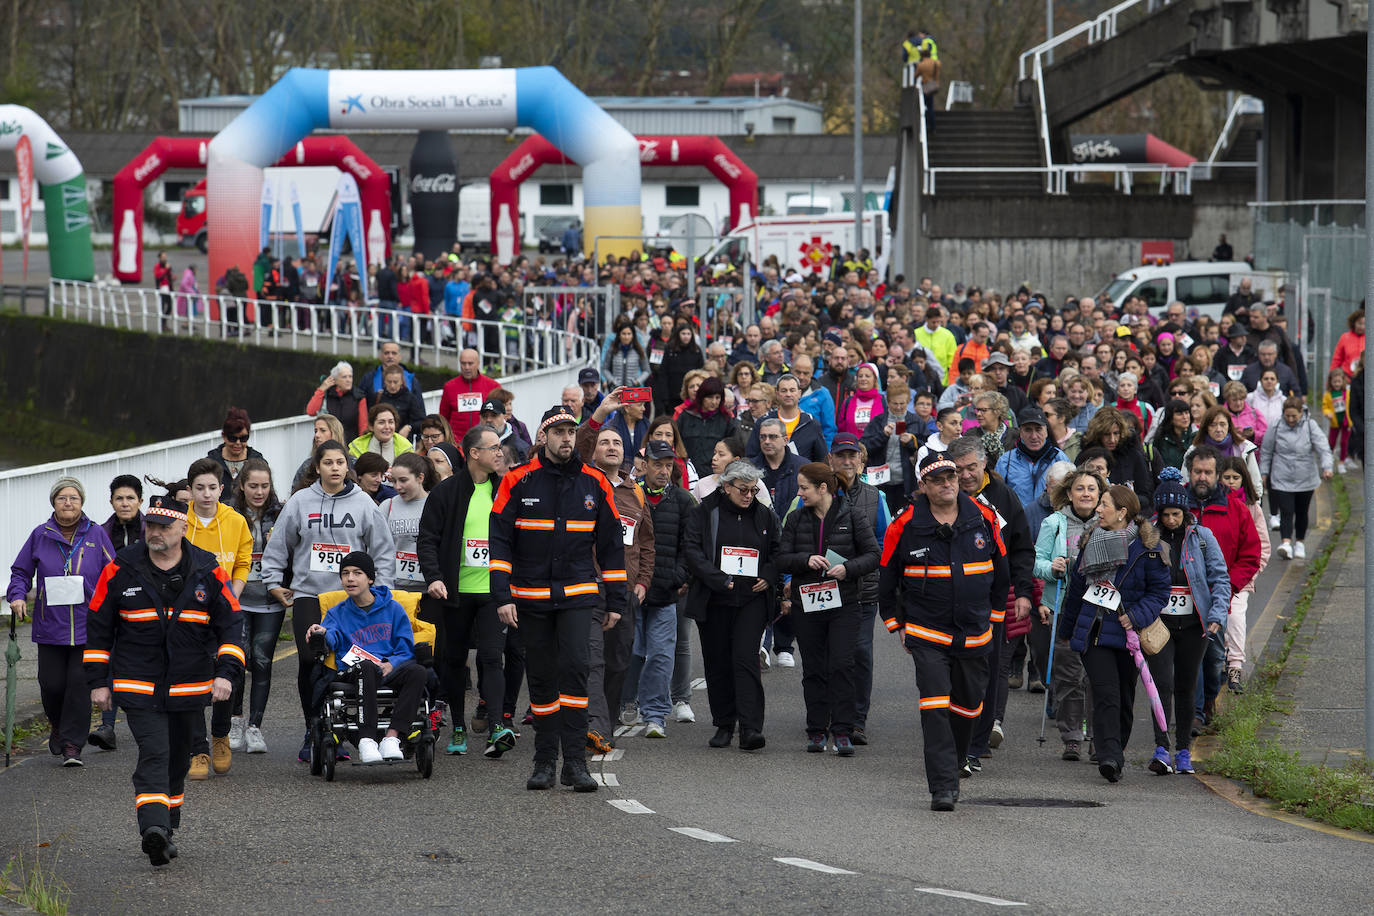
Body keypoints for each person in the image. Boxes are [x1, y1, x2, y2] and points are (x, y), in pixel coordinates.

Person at [84, 495, 242, 866]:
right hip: (137, 684)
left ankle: (166, 826)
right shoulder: (120, 569)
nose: (154, 532)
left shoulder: (207, 570)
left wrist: (225, 673)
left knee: (178, 761)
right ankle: (152, 828)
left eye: (163, 526)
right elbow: (98, 627)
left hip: (190, 686)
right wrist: (97, 681)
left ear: (183, 529)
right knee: (154, 752)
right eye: (150, 526)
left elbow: (232, 625)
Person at [490, 406, 626, 793]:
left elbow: (612, 547)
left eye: (571, 431)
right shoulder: (517, 480)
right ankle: (545, 761)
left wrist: (616, 601)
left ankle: (576, 764)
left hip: (578, 595)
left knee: (577, 668)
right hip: (529, 597)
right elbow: (498, 541)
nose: (567, 438)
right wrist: (502, 595)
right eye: (559, 432)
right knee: (543, 677)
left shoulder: (595, 482)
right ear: (542, 438)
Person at [879, 452, 1009, 811]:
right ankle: (943, 786)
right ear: (923, 486)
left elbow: (1002, 572)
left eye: (951, 476)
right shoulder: (903, 526)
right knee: (935, 707)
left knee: (969, 708)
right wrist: (896, 625)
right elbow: (886, 579)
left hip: (975, 633)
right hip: (927, 634)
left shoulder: (983, 517)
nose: (948, 483)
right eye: (937, 479)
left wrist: (996, 619)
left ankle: (955, 762)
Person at [261, 439, 396, 763]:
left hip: (352, 597)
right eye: (328, 463)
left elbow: (382, 550)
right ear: (317, 467)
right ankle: (314, 729)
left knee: (346, 661)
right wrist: (272, 581)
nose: (334, 468)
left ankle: (341, 730)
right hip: (310, 593)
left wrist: (383, 590)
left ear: (346, 467)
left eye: (339, 462)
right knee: (310, 660)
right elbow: (280, 543)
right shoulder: (300, 501)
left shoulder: (364, 502)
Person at [418, 424, 518, 758]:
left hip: (493, 591)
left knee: (492, 657)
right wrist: (433, 576)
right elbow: (428, 538)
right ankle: (458, 726)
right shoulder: (446, 492)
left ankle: (497, 727)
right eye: (493, 447)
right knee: (454, 660)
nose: (500, 452)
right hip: (454, 591)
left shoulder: (505, 489)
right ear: (474, 453)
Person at [1061, 485, 1170, 782]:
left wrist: (1134, 616)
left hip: (1128, 635)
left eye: (1104, 504)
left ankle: (1116, 749)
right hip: (1095, 632)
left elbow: (1159, 593)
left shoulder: (1149, 548)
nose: (1097, 509)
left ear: (1122, 512)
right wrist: (1068, 629)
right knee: (1106, 692)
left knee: (1124, 696)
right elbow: (1077, 589)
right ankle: (1108, 755)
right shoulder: (1090, 540)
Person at [7, 476, 116, 766]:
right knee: (52, 685)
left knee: (79, 686)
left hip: (87, 625)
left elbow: (114, 572)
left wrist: (113, 605)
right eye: (62, 498)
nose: (68, 503)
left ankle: (72, 745)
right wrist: (17, 596)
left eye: (74, 498)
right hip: (50, 625)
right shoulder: (40, 535)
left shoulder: (96, 534)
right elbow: (20, 572)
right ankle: (56, 726)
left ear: (82, 503)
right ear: (53, 502)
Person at [777, 462, 879, 756]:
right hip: (807, 601)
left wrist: (848, 569)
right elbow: (781, 557)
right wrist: (804, 560)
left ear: (823, 488)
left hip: (844, 603)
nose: (799, 493)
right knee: (814, 668)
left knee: (842, 665)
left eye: (804, 488)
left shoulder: (853, 515)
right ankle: (816, 730)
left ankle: (843, 731)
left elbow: (873, 555)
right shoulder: (796, 519)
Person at [683, 460, 781, 751]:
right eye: (743, 490)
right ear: (726, 487)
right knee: (718, 662)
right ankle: (724, 724)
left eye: (753, 490)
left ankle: (751, 728)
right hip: (714, 599)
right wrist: (717, 579)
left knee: (745, 659)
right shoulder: (704, 512)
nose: (748, 495)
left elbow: (778, 550)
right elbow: (691, 550)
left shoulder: (765, 516)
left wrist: (768, 575)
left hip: (751, 599)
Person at [1144, 469, 1230, 776]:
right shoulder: (1147, 537)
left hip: (1195, 625)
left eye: (1176, 514)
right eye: (1165, 514)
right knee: (1161, 685)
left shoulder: (1203, 538)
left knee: (1185, 685)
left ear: (1186, 512)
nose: (1170, 520)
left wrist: (1217, 616)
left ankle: (1183, 750)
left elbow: (1220, 579)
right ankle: (1160, 748)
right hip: (1159, 625)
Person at [306, 552, 429, 765]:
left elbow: (405, 649)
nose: (350, 578)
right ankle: (367, 739)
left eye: (357, 573)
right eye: (345, 574)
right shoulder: (337, 613)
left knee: (418, 672)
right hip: (355, 671)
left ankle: (391, 738)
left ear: (370, 579)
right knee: (366, 667)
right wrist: (321, 632)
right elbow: (332, 637)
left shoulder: (393, 609)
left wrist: (392, 664)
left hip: (388, 668)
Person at [577, 425, 655, 746]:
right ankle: (594, 727)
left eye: (617, 443)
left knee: (619, 662)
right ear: (593, 451)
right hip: (589, 586)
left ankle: (603, 724)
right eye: (604, 442)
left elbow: (647, 542)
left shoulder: (635, 491)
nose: (611, 447)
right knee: (592, 658)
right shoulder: (583, 482)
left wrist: (643, 583)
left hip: (624, 590)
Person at [182, 457, 254, 780]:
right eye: (200, 488)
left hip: (225, 608)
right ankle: (197, 747)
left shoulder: (236, 520)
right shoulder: (180, 522)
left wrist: (232, 596)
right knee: (193, 678)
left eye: (213, 487)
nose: (207, 494)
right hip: (190, 613)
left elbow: (242, 561)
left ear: (222, 488)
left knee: (229, 673)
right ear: (190, 490)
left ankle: (220, 735)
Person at [623, 440, 698, 731]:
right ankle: (628, 701)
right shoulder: (631, 495)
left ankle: (655, 714)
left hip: (666, 591)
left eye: (669, 465)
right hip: (632, 590)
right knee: (632, 651)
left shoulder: (682, 500)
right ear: (645, 464)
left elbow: (689, 544)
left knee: (662, 654)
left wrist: (681, 576)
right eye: (658, 464)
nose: (664, 471)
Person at [1185, 444, 1261, 714]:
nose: (1202, 477)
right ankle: (1192, 715)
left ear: (1217, 474)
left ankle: (1208, 704)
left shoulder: (1236, 509)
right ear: (1190, 472)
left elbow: (1251, 554)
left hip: (1218, 598)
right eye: (1197, 471)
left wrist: (1227, 587)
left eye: (1207, 472)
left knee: (1214, 658)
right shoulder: (1177, 506)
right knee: (1188, 660)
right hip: (1183, 598)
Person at [1034, 466, 1103, 761]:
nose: (1085, 493)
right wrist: (1052, 568)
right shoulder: (1054, 523)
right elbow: (1036, 561)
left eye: (1091, 489)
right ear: (1069, 493)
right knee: (1069, 676)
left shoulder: (1109, 523)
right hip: (1065, 609)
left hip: (1102, 611)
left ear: (1100, 495)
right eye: (1080, 488)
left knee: (1098, 677)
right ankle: (1071, 736)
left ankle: (1099, 738)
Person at [826, 436, 890, 744]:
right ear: (831, 460)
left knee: (860, 653)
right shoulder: (817, 490)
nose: (847, 461)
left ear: (862, 462)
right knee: (828, 653)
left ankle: (857, 719)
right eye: (841, 456)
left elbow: (885, 542)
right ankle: (829, 714)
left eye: (853, 456)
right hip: (824, 586)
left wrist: (855, 563)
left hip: (863, 587)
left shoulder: (876, 497)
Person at [225, 458, 281, 756]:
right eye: (253, 486)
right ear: (241, 486)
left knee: (262, 662)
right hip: (239, 599)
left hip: (270, 601)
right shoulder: (231, 516)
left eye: (264, 485)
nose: (259, 492)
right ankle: (235, 721)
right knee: (237, 662)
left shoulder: (280, 514)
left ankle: (255, 727)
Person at [1260, 396, 1333, 562]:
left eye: (1294, 416)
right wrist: (1263, 473)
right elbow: (1266, 451)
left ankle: (1299, 542)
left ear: (1302, 413)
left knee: (1301, 512)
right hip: (1281, 476)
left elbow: (1323, 448)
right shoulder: (1276, 425)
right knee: (1286, 511)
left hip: (1305, 477)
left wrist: (1327, 467)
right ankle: (1286, 543)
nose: (1291, 419)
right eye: (1288, 416)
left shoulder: (1310, 425)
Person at [860, 379, 919, 513]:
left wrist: (912, 441)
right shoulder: (878, 421)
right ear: (887, 402)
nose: (898, 407)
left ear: (908, 401)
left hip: (906, 483)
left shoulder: (915, 421)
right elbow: (863, 448)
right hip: (881, 482)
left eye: (902, 404)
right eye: (894, 404)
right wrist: (882, 435)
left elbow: (925, 447)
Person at [379, 452, 433, 594]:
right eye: (394, 481)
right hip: (396, 590)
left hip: (430, 590)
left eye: (403, 480)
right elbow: (378, 549)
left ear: (420, 478)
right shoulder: (387, 506)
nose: (397, 486)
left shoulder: (436, 504)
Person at [746, 374, 829, 464]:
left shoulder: (811, 424)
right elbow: (751, 456)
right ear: (777, 394)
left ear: (799, 393)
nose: (788, 394)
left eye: (792, 390)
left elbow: (822, 460)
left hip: (801, 475)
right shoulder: (763, 422)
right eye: (784, 391)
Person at [678, 377, 740, 479]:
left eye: (717, 397)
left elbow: (732, 449)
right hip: (687, 472)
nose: (714, 402)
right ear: (701, 397)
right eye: (710, 397)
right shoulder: (685, 416)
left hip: (715, 474)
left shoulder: (726, 420)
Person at [205, 407, 264, 504]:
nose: (238, 443)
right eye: (232, 438)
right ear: (223, 436)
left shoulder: (258, 461)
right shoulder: (211, 463)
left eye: (243, 438)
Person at [752, 418, 806, 524]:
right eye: (763, 437)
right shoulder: (749, 468)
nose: (767, 441)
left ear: (785, 440)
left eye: (773, 437)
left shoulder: (803, 468)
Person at [438, 348, 501, 439]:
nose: (467, 367)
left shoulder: (493, 386)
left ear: (478, 364)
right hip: (457, 442)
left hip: (484, 441)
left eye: (470, 363)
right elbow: (443, 418)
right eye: (463, 363)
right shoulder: (449, 387)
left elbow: (501, 415)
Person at [306, 361, 369, 443]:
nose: (348, 380)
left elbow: (363, 425)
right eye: (344, 377)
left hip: (351, 444)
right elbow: (311, 411)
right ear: (334, 380)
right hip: (328, 444)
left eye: (350, 377)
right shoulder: (327, 395)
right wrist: (321, 389)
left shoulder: (359, 397)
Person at [657, 321, 704, 415]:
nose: (686, 336)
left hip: (691, 395)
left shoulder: (696, 350)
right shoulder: (670, 349)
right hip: (673, 395)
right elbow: (663, 373)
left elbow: (701, 373)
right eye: (683, 333)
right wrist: (664, 396)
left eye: (688, 334)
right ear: (678, 334)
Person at [370, 364, 427, 442]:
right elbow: (370, 420)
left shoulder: (410, 398)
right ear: (384, 381)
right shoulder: (377, 397)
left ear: (402, 381)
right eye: (389, 382)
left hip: (403, 442)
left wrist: (409, 427)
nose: (392, 385)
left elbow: (422, 421)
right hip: (381, 441)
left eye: (395, 382)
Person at [348, 402, 415, 463]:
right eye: (381, 422)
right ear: (371, 426)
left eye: (391, 422)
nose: (387, 427)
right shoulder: (356, 448)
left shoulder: (406, 448)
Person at [836, 362, 887, 438]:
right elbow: (841, 428)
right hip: (853, 446)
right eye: (860, 376)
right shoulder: (848, 401)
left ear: (875, 379)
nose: (863, 379)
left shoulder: (883, 400)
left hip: (876, 446)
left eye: (867, 376)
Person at [1321, 367, 1354, 473]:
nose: (1336, 384)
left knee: (1344, 442)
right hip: (1334, 423)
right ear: (1330, 382)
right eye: (1334, 382)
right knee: (1331, 442)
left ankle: (1341, 463)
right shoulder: (1328, 394)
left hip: (1346, 422)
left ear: (1343, 381)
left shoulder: (1347, 393)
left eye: (1339, 381)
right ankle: (1328, 463)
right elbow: (1325, 406)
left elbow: (1351, 405)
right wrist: (1327, 413)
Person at [602, 320, 651, 390]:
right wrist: (612, 380)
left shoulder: (639, 350)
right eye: (623, 334)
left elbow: (646, 370)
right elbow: (605, 369)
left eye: (629, 334)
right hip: (616, 390)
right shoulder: (612, 349)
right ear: (619, 335)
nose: (626, 337)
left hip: (633, 391)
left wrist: (638, 381)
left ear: (633, 335)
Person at [102, 474, 145, 551]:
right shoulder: (102, 533)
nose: (125, 504)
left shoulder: (150, 531)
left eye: (130, 498)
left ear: (140, 502)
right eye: (119, 498)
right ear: (111, 502)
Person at [1331, 308, 1365, 377]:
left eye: (1365, 324)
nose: (1362, 327)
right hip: (1347, 378)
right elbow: (1336, 360)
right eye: (1359, 323)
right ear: (1353, 323)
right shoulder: (1344, 337)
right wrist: (1331, 379)